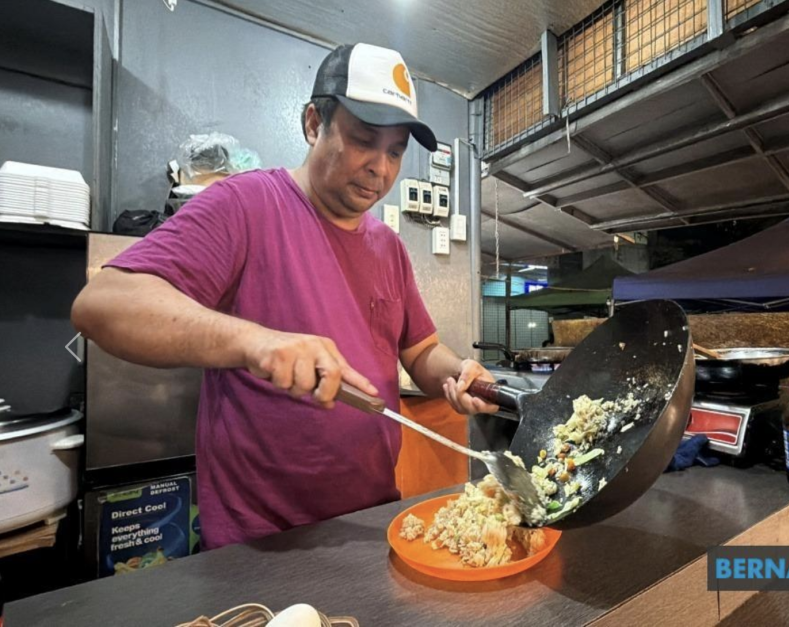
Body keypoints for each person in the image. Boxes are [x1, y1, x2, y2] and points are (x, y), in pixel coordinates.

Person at [71, 43, 498, 549]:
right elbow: (102, 304)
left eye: (396, 151)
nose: (380, 169)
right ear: (314, 123)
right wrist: (257, 342)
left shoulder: (389, 247)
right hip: (261, 541)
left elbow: (421, 351)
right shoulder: (246, 204)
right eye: (364, 140)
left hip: (371, 524)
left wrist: (456, 374)